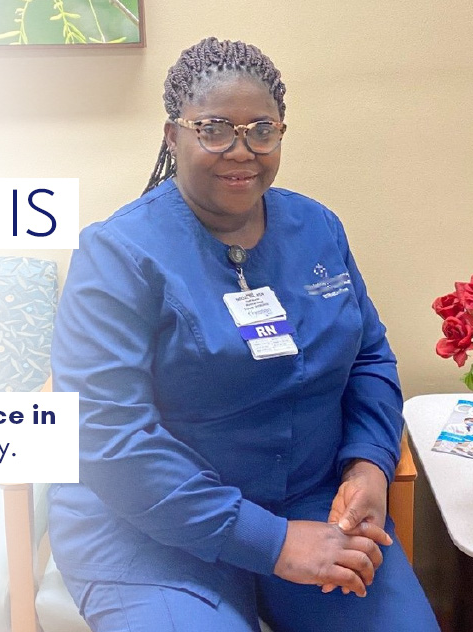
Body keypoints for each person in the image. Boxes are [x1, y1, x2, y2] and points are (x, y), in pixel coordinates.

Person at [48, 37, 440, 631]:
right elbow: (109, 439)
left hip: (315, 504)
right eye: (213, 129)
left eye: (262, 129)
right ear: (171, 134)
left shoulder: (317, 227)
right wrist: (272, 542)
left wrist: (369, 464)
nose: (242, 150)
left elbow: (369, 357)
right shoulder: (118, 254)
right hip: (153, 530)